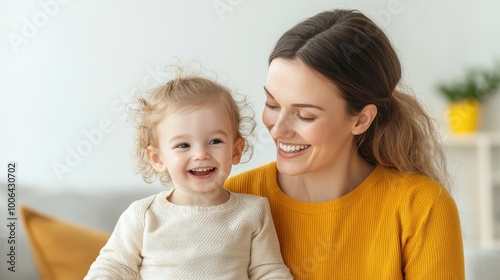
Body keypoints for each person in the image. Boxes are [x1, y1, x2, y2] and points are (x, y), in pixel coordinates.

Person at [224, 9, 465, 279]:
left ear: (361, 119)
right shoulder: (233, 199)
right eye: (272, 104)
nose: (278, 129)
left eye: (305, 115)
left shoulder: (421, 207)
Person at [85, 67, 293, 279]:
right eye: (183, 145)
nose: (201, 154)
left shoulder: (253, 212)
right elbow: (114, 266)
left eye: (215, 141)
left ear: (236, 150)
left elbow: (268, 271)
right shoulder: (144, 215)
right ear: (157, 158)